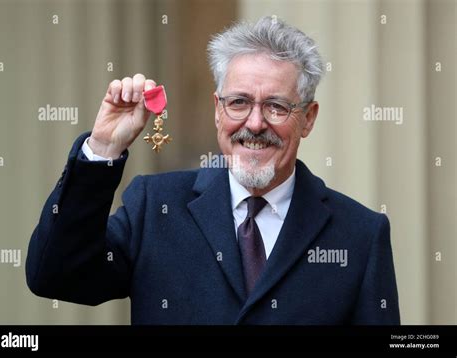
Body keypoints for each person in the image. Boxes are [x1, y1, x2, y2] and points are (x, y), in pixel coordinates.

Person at [26, 16, 400, 324]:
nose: (254, 124)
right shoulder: (155, 207)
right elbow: (56, 275)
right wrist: (103, 149)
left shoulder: (360, 235)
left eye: (276, 106)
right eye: (238, 102)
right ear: (217, 109)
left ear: (308, 118)